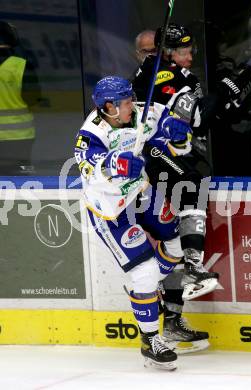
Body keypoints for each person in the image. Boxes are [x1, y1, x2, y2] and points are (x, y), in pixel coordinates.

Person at [74, 76, 215, 370]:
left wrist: (177, 134)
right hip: (111, 210)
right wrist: (116, 165)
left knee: (176, 242)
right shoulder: (90, 134)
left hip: (141, 192)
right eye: (125, 102)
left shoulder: (143, 112)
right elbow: (90, 169)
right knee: (146, 272)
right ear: (108, 107)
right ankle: (150, 340)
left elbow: (179, 144)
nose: (132, 105)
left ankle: (150, 287)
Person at [133, 23, 222, 354]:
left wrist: (219, 98)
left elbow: (196, 119)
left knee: (175, 240)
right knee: (192, 188)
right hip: (150, 164)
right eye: (180, 52)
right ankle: (193, 266)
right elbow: (153, 91)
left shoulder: (182, 78)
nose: (188, 57)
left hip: (172, 159)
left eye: (189, 51)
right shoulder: (149, 77)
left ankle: (171, 320)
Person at [0, 21, 40, 175]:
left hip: (20, 136)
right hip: (20, 136)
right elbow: (33, 99)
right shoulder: (22, 66)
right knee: (19, 178)